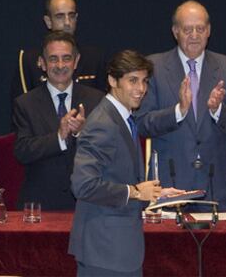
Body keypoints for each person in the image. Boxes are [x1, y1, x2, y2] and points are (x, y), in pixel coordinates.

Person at [68, 50, 183, 276]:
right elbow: (83, 185)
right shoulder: (103, 122)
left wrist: (156, 193)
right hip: (106, 252)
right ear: (112, 80)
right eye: (132, 80)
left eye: (144, 81)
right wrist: (136, 192)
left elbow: (118, 177)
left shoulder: (122, 118)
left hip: (117, 251)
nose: (141, 89)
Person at [135, 0, 226, 211]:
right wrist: (179, 111)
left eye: (200, 28)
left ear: (209, 31)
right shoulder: (154, 67)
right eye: (187, 29)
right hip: (170, 184)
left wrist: (217, 110)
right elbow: (142, 123)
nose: (194, 35)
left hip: (216, 185)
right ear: (175, 31)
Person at [12, 31, 104, 210]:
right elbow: (22, 151)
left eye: (66, 58)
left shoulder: (97, 100)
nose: (60, 65)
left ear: (76, 61)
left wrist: (80, 132)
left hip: (87, 204)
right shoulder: (25, 103)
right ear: (42, 63)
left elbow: (108, 150)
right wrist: (59, 137)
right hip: (40, 205)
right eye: (53, 59)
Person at [11, 0, 106, 102]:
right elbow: (23, 106)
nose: (67, 23)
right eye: (60, 16)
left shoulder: (94, 58)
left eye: (71, 16)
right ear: (48, 21)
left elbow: (103, 104)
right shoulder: (30, 59)